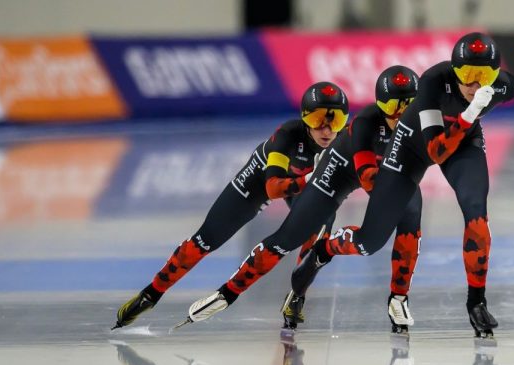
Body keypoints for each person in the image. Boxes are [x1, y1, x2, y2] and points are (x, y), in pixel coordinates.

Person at [291, 32, 514, 339]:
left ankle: (476, 303)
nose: (476, 85)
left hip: (463, 141)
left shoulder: (501, 86)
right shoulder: (432, 83)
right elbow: (436, 151)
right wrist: (469, 114)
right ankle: (324, 249)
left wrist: (470, 117)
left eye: (484, 76)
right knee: (370, 242)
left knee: (477, 214)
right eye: (468, 76)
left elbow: (511, 86)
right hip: (413, 147)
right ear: (454, 71)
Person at [174, 65, 422, 334]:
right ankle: (228, 292)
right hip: (338, 171)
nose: (400, 113)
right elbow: (366, 176)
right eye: (393, 105)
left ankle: (396, 296)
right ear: (380, 104)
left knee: (388, 234)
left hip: (385, 176)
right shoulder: (365, 123)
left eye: (408, 105)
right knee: (289, 237)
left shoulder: (424, 122)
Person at [111, 81, 350, 329]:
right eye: (318, 119)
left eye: (336, 121)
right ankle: (151, 294)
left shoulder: (346, 142)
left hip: (301, 186)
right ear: (303, 118)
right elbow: (273, 188)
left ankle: (296, 296)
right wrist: (311, 178)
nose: (326, 129)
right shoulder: (288, 135)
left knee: (321, 226)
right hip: (263, 179)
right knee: (206, 239)